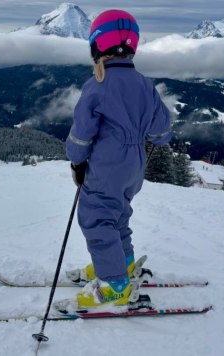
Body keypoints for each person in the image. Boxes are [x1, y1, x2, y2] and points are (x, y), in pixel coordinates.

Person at [65, 9, 173, 309]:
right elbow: (162, 130)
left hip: (107, 166)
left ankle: (114, 284)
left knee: (97, 218)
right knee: (119, 212)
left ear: (97, 44)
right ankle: (122, 264)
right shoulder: (144, 84)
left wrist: (76, 161)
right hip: (135, 166)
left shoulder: (96, 86)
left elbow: (81, 134)